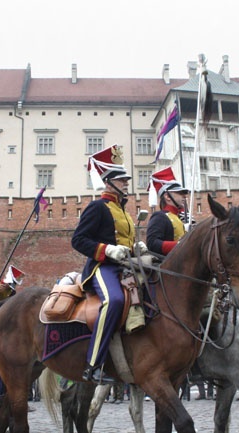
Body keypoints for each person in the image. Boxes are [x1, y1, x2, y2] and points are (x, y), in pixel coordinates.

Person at [72, 144, 146, 384]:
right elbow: (78, 240)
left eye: (125, 179)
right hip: (102, 268)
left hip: (128, 267)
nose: (126, 183)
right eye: (121, 179)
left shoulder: (124, 211)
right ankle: (93, 364)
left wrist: (138, 248)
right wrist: (108, 250)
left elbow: (126, 240)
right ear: (108, 182)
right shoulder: (97, 207)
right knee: (113, 300)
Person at [145, 167, 189, 255]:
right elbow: (152, 243)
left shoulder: (177, 217)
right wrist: (180, 245)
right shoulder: (160, 217)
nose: (184, 196)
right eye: (180, 193)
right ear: (167, 197)